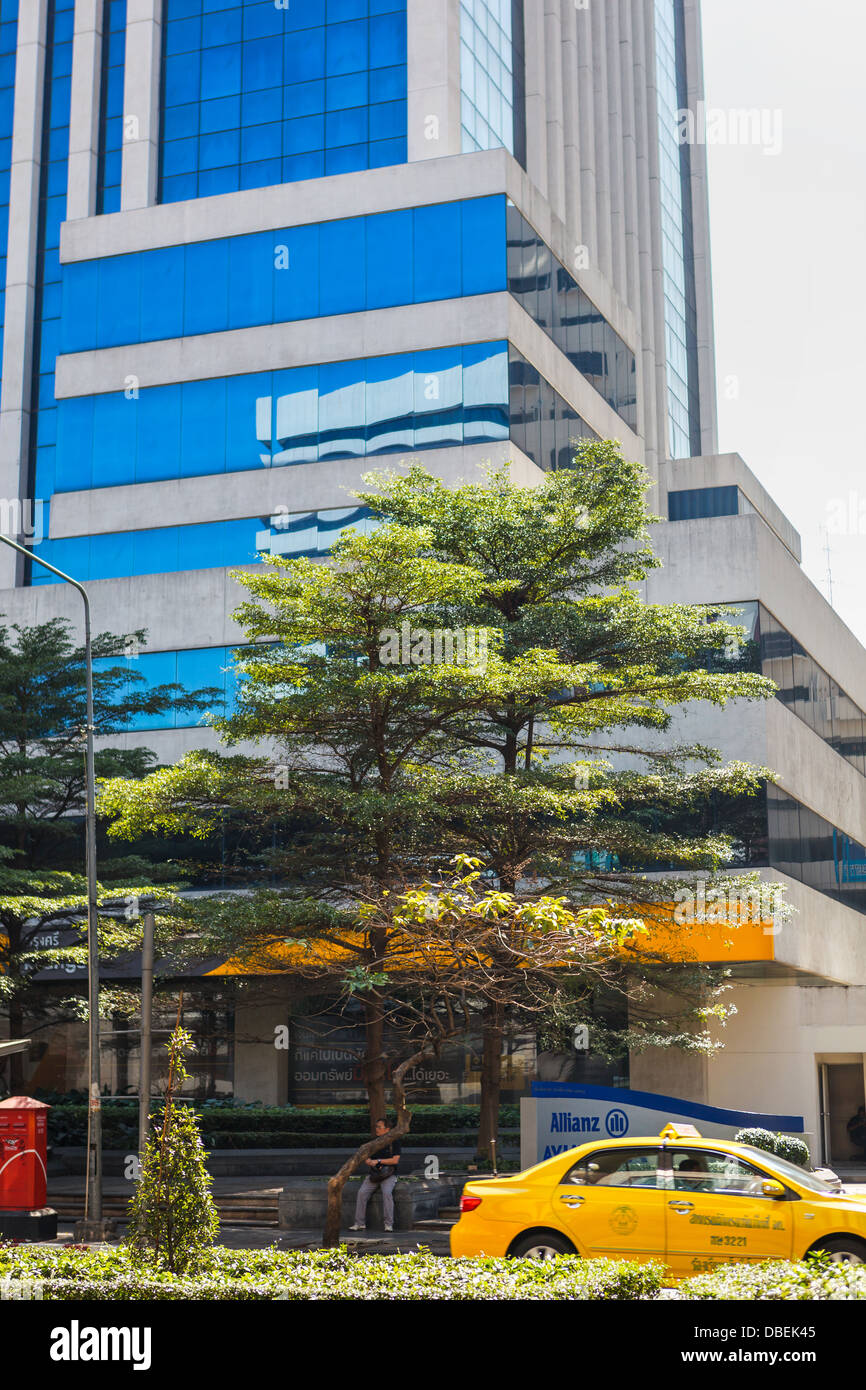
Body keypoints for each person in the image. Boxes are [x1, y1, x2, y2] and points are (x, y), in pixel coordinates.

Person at [349, 1118, 401, 1232]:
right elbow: (366, 1156)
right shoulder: (374, 1141)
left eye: (379, 1127)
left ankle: (388, 1224)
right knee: (361, 1193)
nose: (376, 1129)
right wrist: (368, 1161)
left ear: (387, 1129)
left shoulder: (394, 1142)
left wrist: (378, 1161)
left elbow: (395, 1160)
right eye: (376, 1126)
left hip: (389, 1174)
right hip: (374, 1174)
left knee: (387, 1193)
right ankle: (359, 1223)